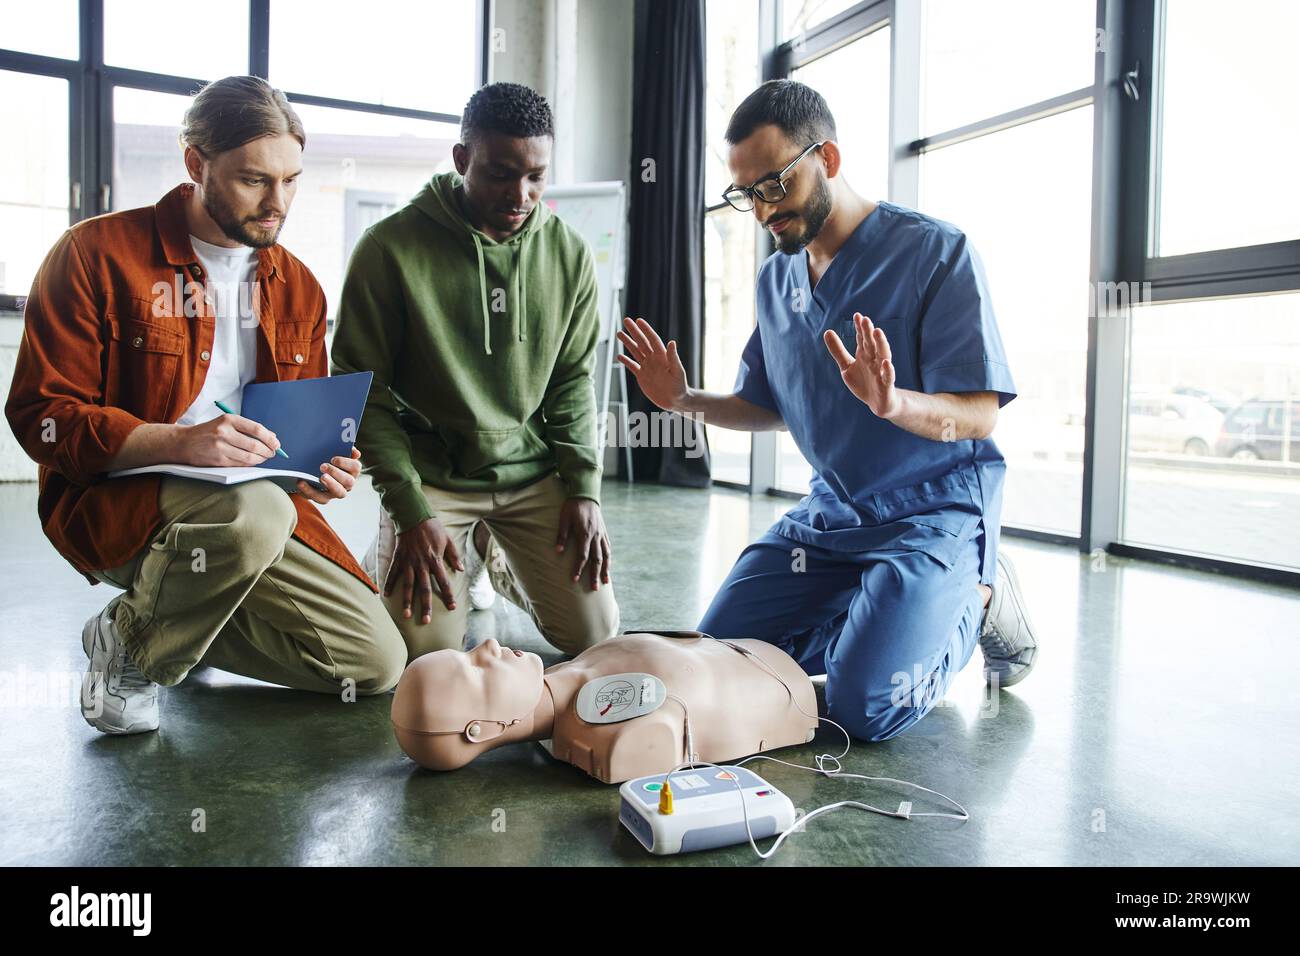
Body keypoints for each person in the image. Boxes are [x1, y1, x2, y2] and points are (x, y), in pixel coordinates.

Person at [617, 80, 1039, 743]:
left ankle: (978, 599)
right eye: (746, 194)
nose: (762, 211)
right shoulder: (776, 280)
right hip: (832, 517)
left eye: (775, 185)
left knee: (864, 708)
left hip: (932, 511)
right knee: (721, 657)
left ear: (829, 160)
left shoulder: (935, 253)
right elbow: (768, 406)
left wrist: (892, 403)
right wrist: (683, 401)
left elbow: (979, 416)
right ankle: (883, 614)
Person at [4, 75, 407, 736]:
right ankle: (135, 656)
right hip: (118, 503)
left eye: (291, 180)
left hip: (261, 510)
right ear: (197, 164)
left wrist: (324, 467)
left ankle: (150, 623)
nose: (278, 203)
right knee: (254, 510)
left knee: (371, 663)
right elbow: (40, 417)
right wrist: (178, 442)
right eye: (255, 181)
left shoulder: (298, 287)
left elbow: (297, 435)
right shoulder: (93, 255)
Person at [331, 82, 619, 660]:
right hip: (434, 476)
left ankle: (496, 549)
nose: (521, 195)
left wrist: (583, 489)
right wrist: (409, 512)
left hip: (529, 472)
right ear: (462, 159)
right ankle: (402, 546)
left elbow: (570, 382)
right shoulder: (388, 250)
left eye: (536, 176)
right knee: (428, 652)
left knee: (594, 635)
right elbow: (365, 394)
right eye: (500, 173)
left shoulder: (570, 254)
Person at [390, 632, 818, 784]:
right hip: (794, 691)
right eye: (475, 670)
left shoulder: (579, 670)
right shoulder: (614, 734)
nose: (486, 646)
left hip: (756, 651)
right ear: (478, 729)